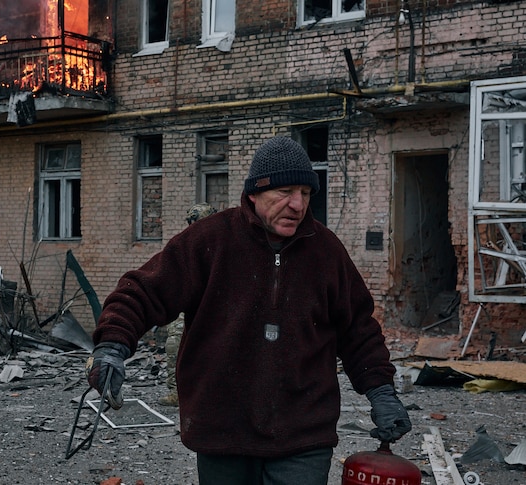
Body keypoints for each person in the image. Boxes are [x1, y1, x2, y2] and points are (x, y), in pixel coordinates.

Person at [85, 136, 411, 484]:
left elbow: (358, 330)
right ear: (254, 193)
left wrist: (381, 392)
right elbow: (143, 291)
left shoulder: (326, 252)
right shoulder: (210, 241)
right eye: (285, 192)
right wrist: (113, 346)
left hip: (303, 433)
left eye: (305, 192)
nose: (298, 204)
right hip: (222, 429)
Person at [159, 203, 217, 407]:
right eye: (192, 223)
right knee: (174, 344)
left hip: (214, 307)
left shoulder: (224, 245)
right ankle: (176, 392)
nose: (195, 227)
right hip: (187, 305)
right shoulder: (183, 245)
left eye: (199, 222)